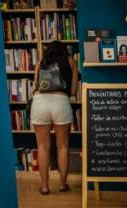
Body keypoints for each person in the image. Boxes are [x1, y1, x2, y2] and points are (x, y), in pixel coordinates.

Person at [31, 41, 79, 195]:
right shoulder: (71, 61)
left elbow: (35, 85)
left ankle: (45, 187)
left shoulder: (41, 61)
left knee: (43, 146)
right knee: (63, 146)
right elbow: (73, 91)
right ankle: (63, 184)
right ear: (65, 50)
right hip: (61, 102)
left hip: (40, 102)